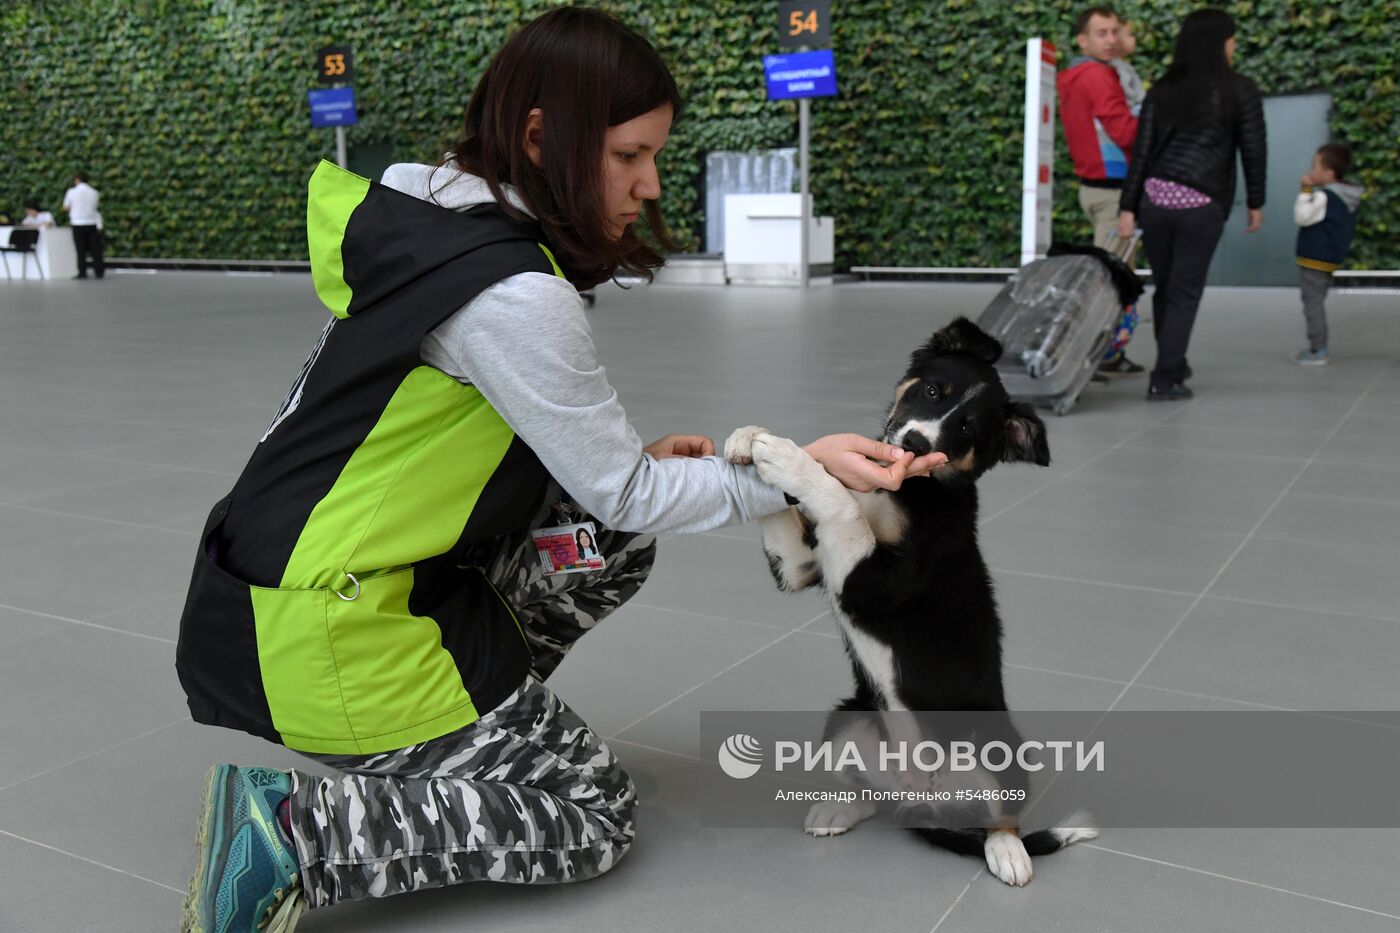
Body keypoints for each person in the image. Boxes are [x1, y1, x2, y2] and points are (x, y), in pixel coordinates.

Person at [175, 9, 944, 933]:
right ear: (541, 137)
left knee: (608, 542)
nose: (649, 183)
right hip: (331, 633)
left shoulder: (430, 213)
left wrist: (642, 474)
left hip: (280, 596)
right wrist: (798, 471)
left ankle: (452, 740)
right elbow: (625, 488)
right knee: (591, 814)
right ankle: (296, 833)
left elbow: (589, 492)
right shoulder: (513, 294)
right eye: (628, 155)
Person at [1117, 8, 1266, 400]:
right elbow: (1253, 150)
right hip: (1202, 204)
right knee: (1184, 291)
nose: (1234, 46)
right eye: (1231, 39)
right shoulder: (1240, 90)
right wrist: (1256, 200)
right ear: (1220, 43)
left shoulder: (1163, 89)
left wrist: (1128, 207)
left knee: (1167, 287)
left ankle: (1174, 362)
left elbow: (1142, 153)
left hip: (1155, 200)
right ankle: (1165, 377)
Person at [1059, 7, 1138, 250]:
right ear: (1083, 41)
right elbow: (1125, 132)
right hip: (1112, 192)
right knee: (1112, 277)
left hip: (1095, 187)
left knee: (1117, 273)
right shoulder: (1098, 76)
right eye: (1102, 33)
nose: (1112, 40)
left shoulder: (1078, 75)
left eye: (1115, 32)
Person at [1291, 142, 1362, 367]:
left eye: (1315, 167)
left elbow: (1302, 217)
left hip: (1314, 259)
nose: (1311, 171)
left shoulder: (1325, 197)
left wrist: (1305, 191)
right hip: (1329, 259)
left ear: (1329, 174)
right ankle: (1318, 346)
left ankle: (1318, 349)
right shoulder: (1347, 196)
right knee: (1317, 301)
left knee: (1312, 303)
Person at [61, 172, 104, 279]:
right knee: (95, 249)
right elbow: (95, 208)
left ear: (77, 179)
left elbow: (66, 206)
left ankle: (82, 271)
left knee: (80, 250)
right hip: (91, 222)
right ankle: (99, 271)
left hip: (78, 223)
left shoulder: (72, 192)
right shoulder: (94, 192)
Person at [1110, 18, 1145, 117]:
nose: (1134, 39)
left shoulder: (1123, 65)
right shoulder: (1117, 67)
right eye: (1130, 35)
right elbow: (1129, 94)